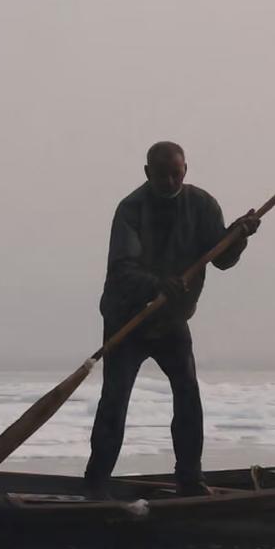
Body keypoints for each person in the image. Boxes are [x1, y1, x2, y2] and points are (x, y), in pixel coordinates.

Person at [86, 141, 253, 497]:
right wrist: (157, 283)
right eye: (162, 174)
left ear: (185, 170)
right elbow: (122, 269)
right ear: (147, 173)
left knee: (188, 394)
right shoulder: (130, 209)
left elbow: (220, 260)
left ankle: (190, 479)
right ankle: (96, 484)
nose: (170, 180)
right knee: (114, 399)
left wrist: (237, 237)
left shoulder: (203, 205)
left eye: (176, 173)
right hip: (126, 319)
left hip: (171, 320)